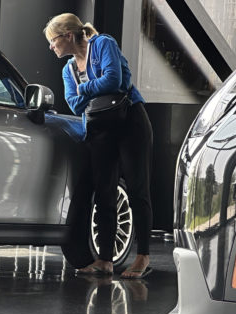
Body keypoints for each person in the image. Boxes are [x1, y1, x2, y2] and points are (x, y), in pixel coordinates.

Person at [44, 13, 154, 279]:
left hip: (130, 121)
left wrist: (85, 89)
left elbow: (113, 81)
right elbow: (74, 103)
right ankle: (105, 259)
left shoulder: (103, 44)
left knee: (138, 188)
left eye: (53, 40)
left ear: (68, 35)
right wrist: (93, 89)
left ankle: (143, 257)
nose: (51, 46)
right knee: (105, 192)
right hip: (98, 128)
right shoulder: (67, 69)